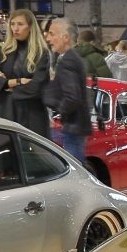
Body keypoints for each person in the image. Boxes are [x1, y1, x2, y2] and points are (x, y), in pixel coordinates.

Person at [0, 9, 52, 136]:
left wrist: (7, 86)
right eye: (12, 24)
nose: (15, 29)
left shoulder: (41, 53)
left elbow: (37, 87)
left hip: (33, 115)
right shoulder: (2, 51)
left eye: (20, 24)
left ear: (30, 27)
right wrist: (18, 81)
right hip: (6, 112)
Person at [44, 17, 92, 163]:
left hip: (73, 125)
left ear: (65, 37)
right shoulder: (71, 58)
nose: (48, 38)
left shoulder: (68, 61)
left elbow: (72, 97)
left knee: (75, 168)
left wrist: (58, 113)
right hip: (76, 125)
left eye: (52, 34)